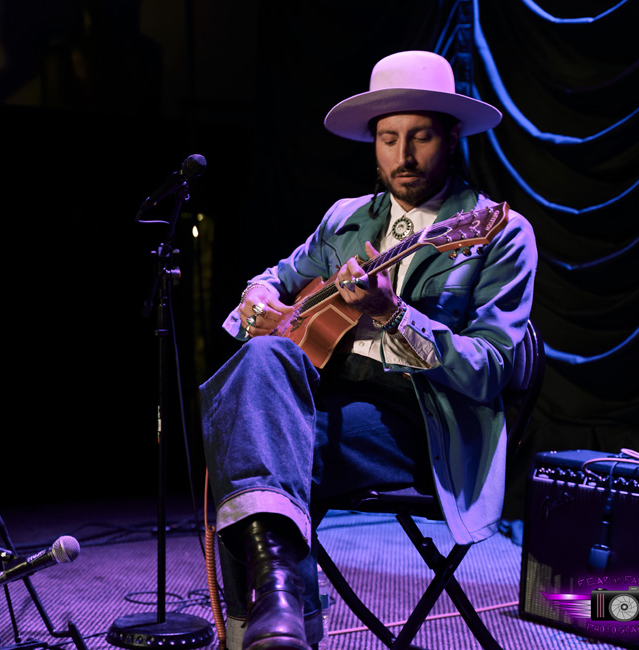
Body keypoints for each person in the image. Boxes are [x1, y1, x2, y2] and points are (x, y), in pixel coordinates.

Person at [200, 51, 538, 650]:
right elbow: (270, 282)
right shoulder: (345, 219)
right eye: (388, 139)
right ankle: (280, 597)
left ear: (452, 136)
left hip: (426, 424)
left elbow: (492, 371)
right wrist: (263, 308)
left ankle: (276, 613)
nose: (403, 157)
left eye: (421, 137)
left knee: (246, 437)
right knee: (261, 372)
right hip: (329, 408)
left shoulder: (496, 230)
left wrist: (392, 313)